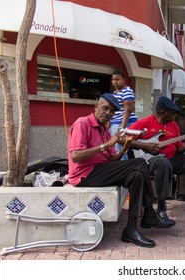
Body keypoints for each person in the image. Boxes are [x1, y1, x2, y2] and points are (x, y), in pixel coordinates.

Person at [67, 93, 173, 248]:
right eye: (105, 108)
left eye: (112, 111)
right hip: (85, 174)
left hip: (102, 170)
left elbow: (112, 160)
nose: (108, 113)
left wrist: (124, 147)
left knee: (136, 175)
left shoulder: (105, 129)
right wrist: (107, 145)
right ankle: (149, 212)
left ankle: (131, 229)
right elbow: (76, 156)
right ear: (96, 108)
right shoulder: (82, 124)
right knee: (140, 163)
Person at [129, 96, 185, 225]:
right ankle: (161, 208)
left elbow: (180, 150)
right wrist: (145, 146)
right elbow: (124, 139)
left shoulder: (173, 125)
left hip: (172, 160)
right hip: (150, 161)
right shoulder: (144, 123)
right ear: (162, 112)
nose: (174, 116)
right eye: (172, 113)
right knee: (163, 164)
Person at [109, 69, 138, 160]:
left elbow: (128, 110)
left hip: (124, 123)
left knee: (120, 147)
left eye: (118, 79)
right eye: (113, 80)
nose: (115, 82)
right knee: (116, 147)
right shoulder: (115, 92)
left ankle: (122, 168)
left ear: (124, 80)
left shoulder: (127, 91)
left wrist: (122, 128)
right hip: (115, 123)